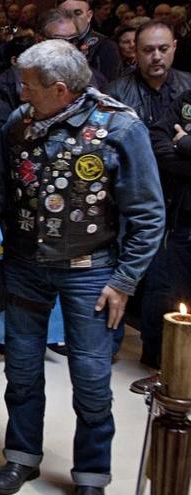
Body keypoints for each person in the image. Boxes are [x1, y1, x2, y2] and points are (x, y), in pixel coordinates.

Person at [0, 40, 164, 495]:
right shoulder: (20, 123)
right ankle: (22, 456)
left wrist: (125, 279)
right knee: (22, 371)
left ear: (58, 88)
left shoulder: (119, 127)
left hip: (92, 272)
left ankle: (92, 474)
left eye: (28, 85)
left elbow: (149, 213)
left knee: (91, 379)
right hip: (26, 266)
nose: (21, 92)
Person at [140, 89, 191, 390]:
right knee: (171, 296)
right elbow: (158, 141)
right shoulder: (186, 99)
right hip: (181, 220)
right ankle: (167, 371)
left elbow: (173, 143)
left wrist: (184, 142)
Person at [106, 21, 191, 128]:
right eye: (148, 50)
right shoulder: (115, 93)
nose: (156, 57)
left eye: (163, 49)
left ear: (174, 47)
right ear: (136, 52)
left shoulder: (188, 85)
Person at [60, 0, 122, 82]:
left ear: (89, 16)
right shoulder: (51, 44)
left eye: (77, 13)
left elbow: (108, 86)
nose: (71, 19)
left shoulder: (106, 46)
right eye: (65, 14)